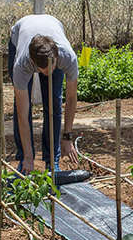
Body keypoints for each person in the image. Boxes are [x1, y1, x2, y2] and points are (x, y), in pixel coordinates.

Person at [8, 14, 80, 174]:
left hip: (53, 24)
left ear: (56, 57)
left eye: (52, 67)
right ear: (33, 63)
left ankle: (52, 159)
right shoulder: (22, 64)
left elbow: (71, 98)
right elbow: (22, 113)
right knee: (21, 107)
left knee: (54, 102)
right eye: (43, 71)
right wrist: (28, 155)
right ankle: (24, 158)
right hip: (20, 32)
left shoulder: (67, 57)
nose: (48, 73)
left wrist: (67, 136)